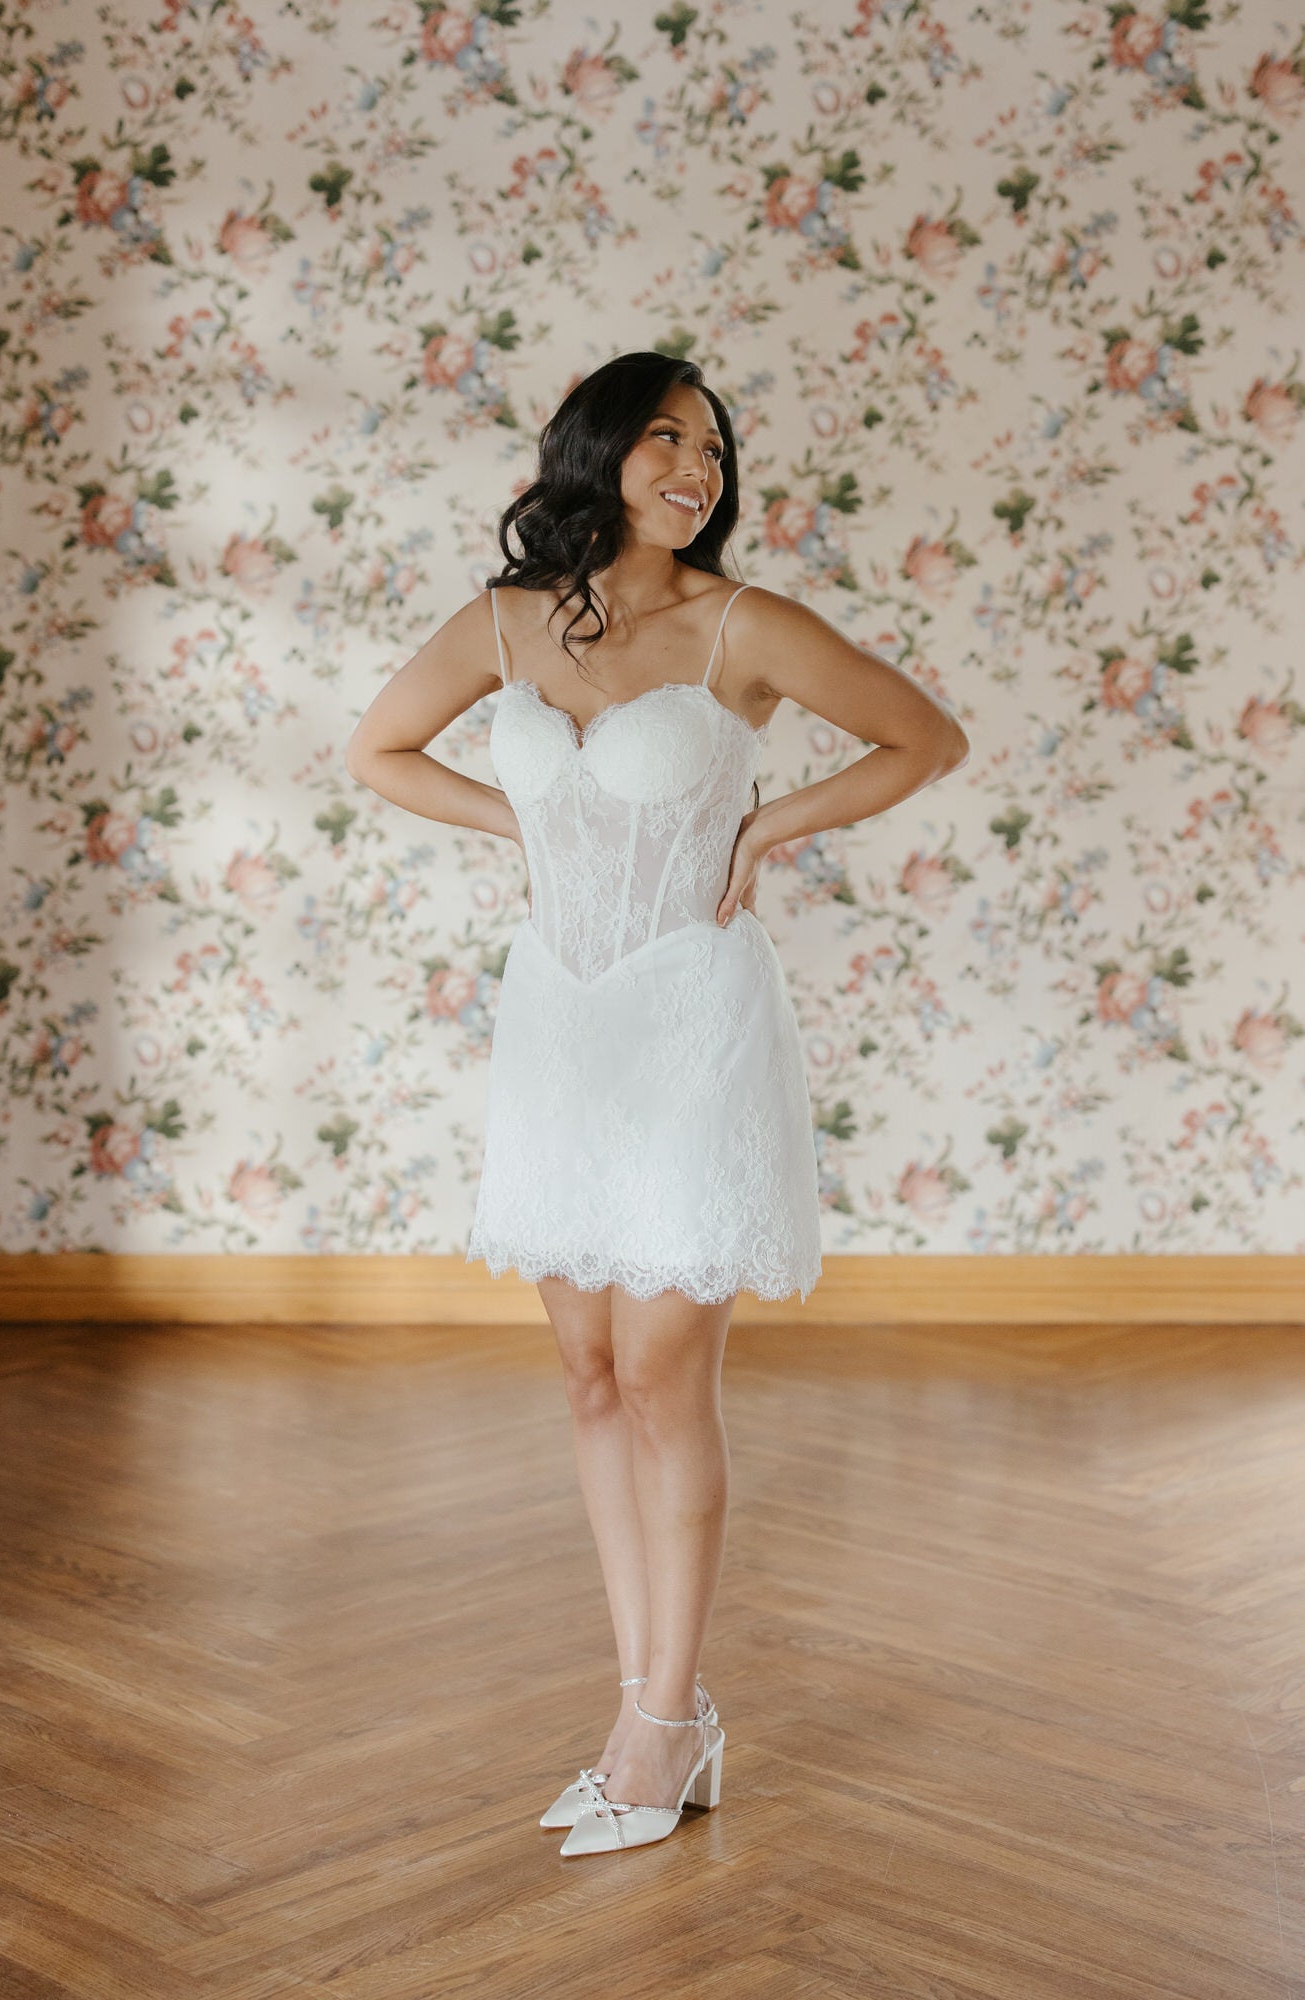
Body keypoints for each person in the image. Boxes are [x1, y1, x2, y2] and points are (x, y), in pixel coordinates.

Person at [345, 350, 970, 1857]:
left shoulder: (741, 626)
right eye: (665, 440)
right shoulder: (504, 622)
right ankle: (651, 1706)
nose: (695, 469)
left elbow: (921, 739)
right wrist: (526, 820)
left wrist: (769, 822)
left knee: (661, 1374)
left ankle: (665, 1717)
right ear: (597, 454)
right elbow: (376, 748)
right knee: (585, 1379)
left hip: (691, 1018)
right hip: (559, 1026)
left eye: (711, 447)